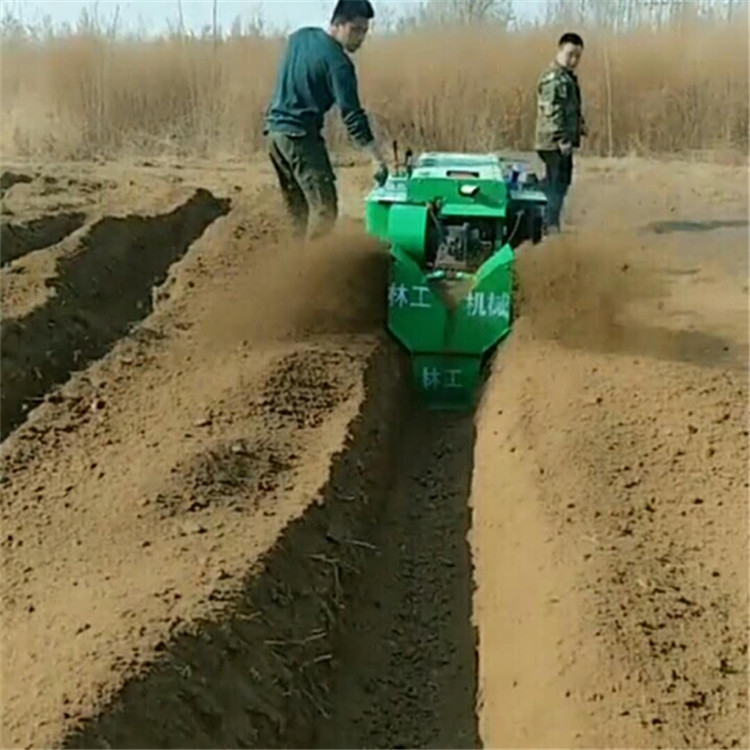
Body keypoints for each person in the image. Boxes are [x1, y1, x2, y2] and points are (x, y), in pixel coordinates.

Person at [263, 0, 388, 241]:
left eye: (364, 31)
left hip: (275, 135)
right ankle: (314, 271)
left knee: (298, 211)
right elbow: (352, 115)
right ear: (338, 24)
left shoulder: (299, 37)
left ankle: (294, 260)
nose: (360, 38)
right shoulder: (339, 64)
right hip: (299, 137)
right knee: (324, 210)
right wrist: (376, 158)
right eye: (355, 30)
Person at [534, 32, 587, 233]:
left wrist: (579, 125)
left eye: (577, 56)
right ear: (560, 50)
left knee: (560, 182)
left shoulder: (566, 78)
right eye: (570, 54)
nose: (573, 60)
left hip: (560, 142)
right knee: (556, 185)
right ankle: (549, 226)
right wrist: (562, 139)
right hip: (553, 143)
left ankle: (549, 221)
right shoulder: (553, 79)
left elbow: (568, 107)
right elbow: (551, 112)